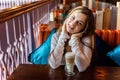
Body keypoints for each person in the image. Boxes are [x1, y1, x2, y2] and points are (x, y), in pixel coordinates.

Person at [48, 6, 95, 72]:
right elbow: (54, 65)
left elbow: (82, 68)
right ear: (68, 17)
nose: (72, 24)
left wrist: (74, 42)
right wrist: (62, 38)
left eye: (79, 23)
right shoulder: (56, 36)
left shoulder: (86, 39)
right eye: (72, 18)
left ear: (84, 28)